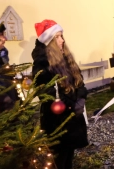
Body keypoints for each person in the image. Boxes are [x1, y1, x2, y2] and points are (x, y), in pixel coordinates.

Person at [31, 20, 89, 169]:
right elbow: (47, 94)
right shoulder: (42, 64)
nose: (62, 40)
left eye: (61, 36)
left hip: (72, 119)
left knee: (68, 158)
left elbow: (79, 82)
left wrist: (81, 98)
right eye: (57, 37)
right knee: (59, 161)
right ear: (49, 41)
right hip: (57, 122)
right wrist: (72, 106)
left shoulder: (66, 58)